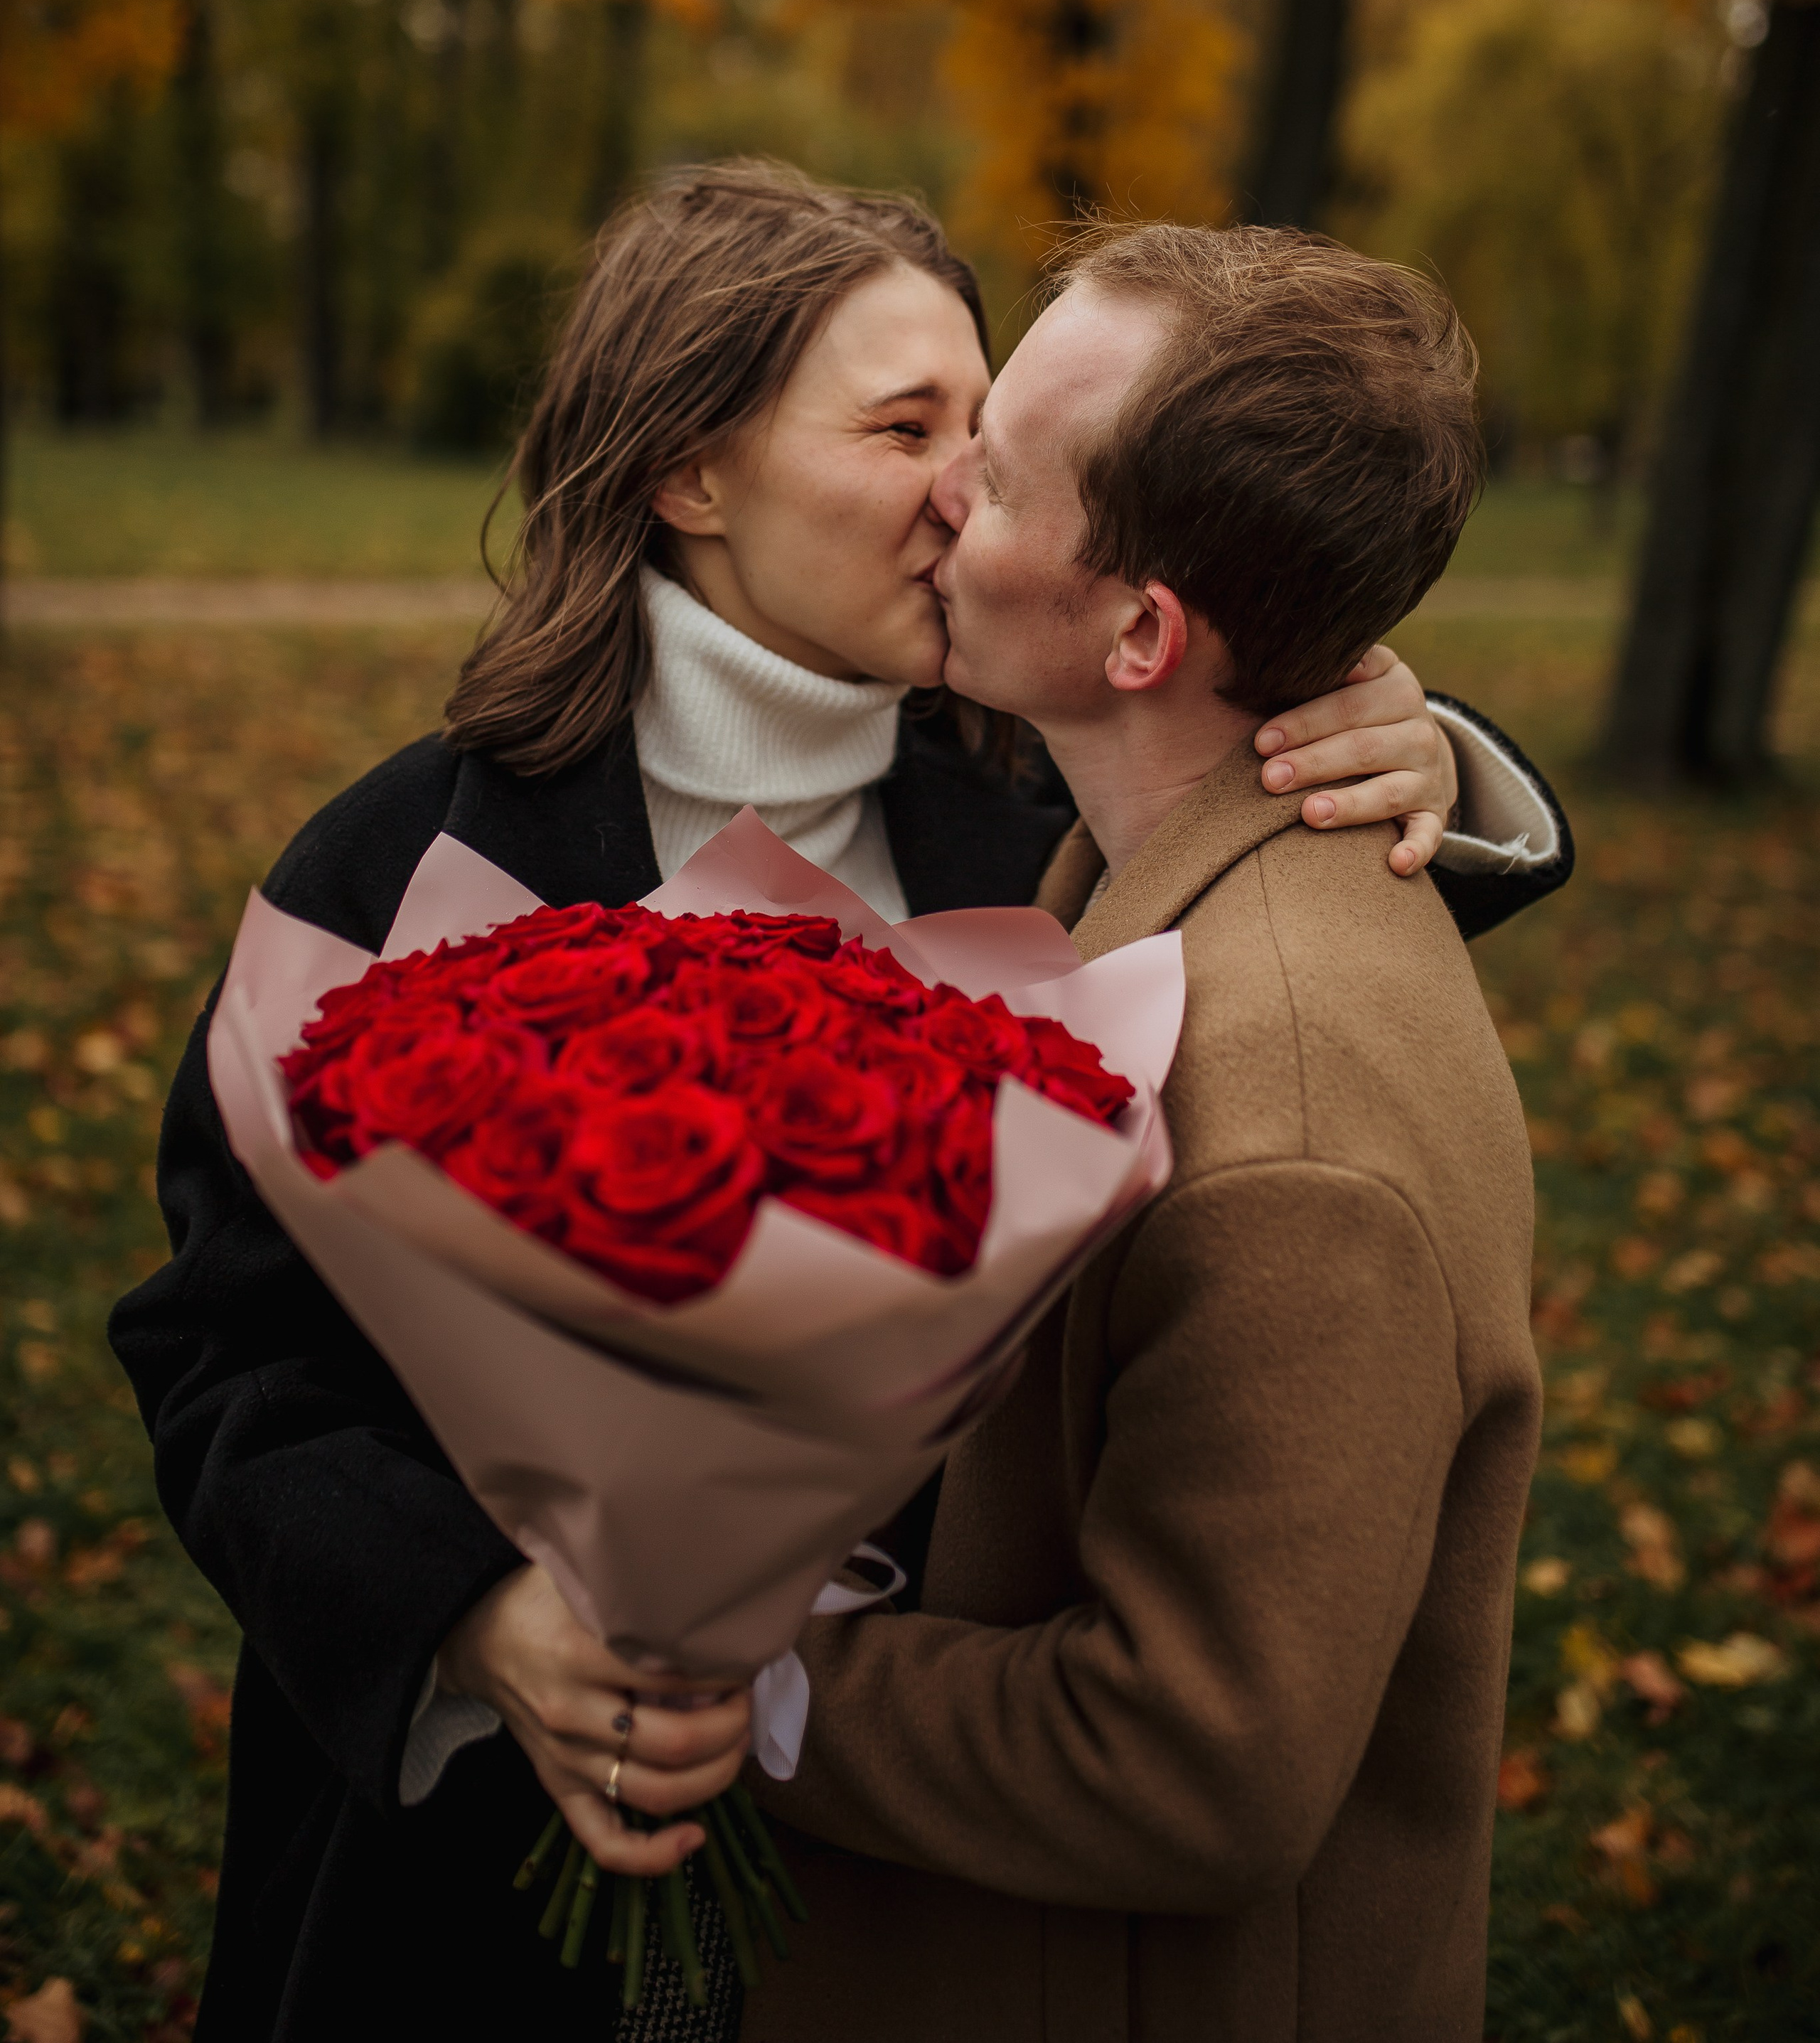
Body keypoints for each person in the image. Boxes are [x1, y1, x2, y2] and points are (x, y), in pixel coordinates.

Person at [109, 166, 1565, 2043]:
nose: (969, 485)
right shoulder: (403, 868)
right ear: (690, 473)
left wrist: (1409, 738)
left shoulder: (1033, 805)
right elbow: (224, 1354)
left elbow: (1269, 986)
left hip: (926, 1895)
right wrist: (483, 1624)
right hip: (477, 1884)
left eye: (988, 423)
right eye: (907, 427)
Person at [741, 221, 1553, 2043]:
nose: (940, 494)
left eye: (1001, 470)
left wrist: (745, 1671)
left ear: (1139, 633)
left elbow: (1192, 1760)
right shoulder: (1133, 876)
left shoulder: (1286, 1137)